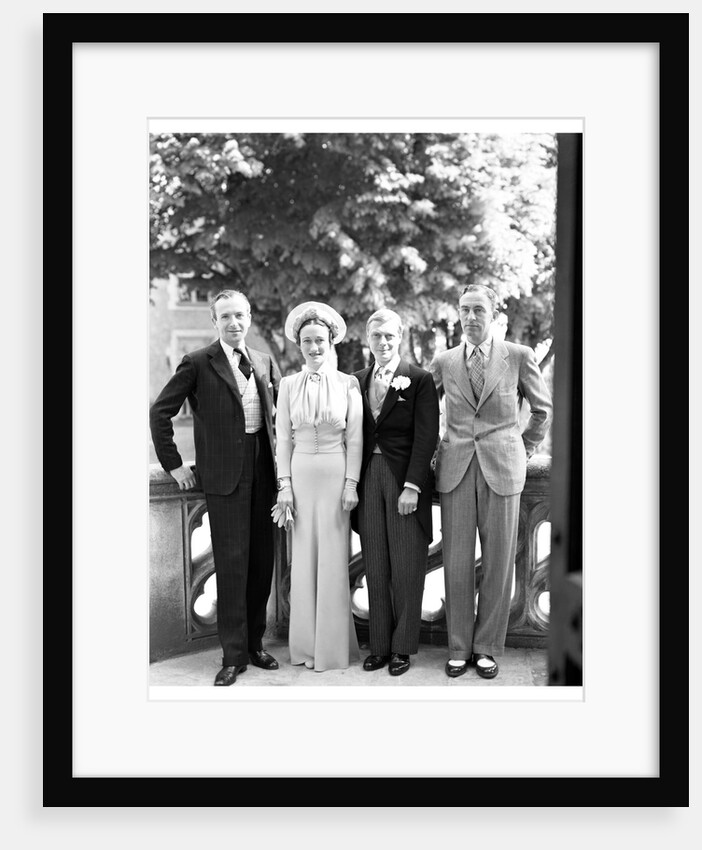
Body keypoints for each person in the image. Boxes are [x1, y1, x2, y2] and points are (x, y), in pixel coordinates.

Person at [150, 289, 282, 686]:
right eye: (225, 317)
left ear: (250, 317)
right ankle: (232, 655)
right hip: (224, 479)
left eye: (240, 315)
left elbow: (279, 419)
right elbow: (160, 413)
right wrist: (174, 466)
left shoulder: (263, 361)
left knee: (262, 563)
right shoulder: (197, 362)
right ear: (215, 322)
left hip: (265, 473)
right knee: (231, 566)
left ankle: (256, 644)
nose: (234, 323)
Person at [429, 284, 552, 680]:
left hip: (503, 467)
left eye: (478, 309)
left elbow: (542, 410)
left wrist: (523, 447)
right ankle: (459, 647)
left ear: (492, 313)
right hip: (456, 469)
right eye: (464, 310)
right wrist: (433, 447)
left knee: (499, 561)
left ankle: (486, 648)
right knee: (457, 561)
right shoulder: (445, 361)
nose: (470, 317)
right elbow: (423, 412)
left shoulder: (518, 356)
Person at [274, 302, 363, 671]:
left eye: (320, 341)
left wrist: (351, 483)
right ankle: (305, 647)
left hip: (335, 471)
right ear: (299, 345)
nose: (314, 348)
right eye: (307, 341)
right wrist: (284, 486)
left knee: (332, 561)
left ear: (331, 344)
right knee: (303, 560)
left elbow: (355, 438)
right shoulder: (288, 384)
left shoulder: (348, 383)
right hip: (300, 476)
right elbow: (283, 439)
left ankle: (332, 648)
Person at [352, 308, 440, 676]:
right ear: (367, 340)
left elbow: (427, 437)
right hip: (367, 476)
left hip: (403, 479)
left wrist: (413, 486)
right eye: (376, 336)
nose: (383, 342)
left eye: (389, 336)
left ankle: (402, 647)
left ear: (400, 336)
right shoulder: (355, 381)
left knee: (406, 566)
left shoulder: (418, 380)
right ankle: (380, 645)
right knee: (375, 564)